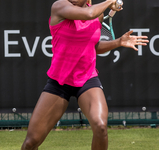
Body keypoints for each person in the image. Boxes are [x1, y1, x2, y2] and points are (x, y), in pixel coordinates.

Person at [21, 0, 149, 150]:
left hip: (87, 79)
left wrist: (119, 42)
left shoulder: (98, 15)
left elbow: (94, 46)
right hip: (59, 82)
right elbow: (88, 14)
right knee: (31, 143)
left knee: (100, 126)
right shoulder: (59, 6)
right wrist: (109, 1)